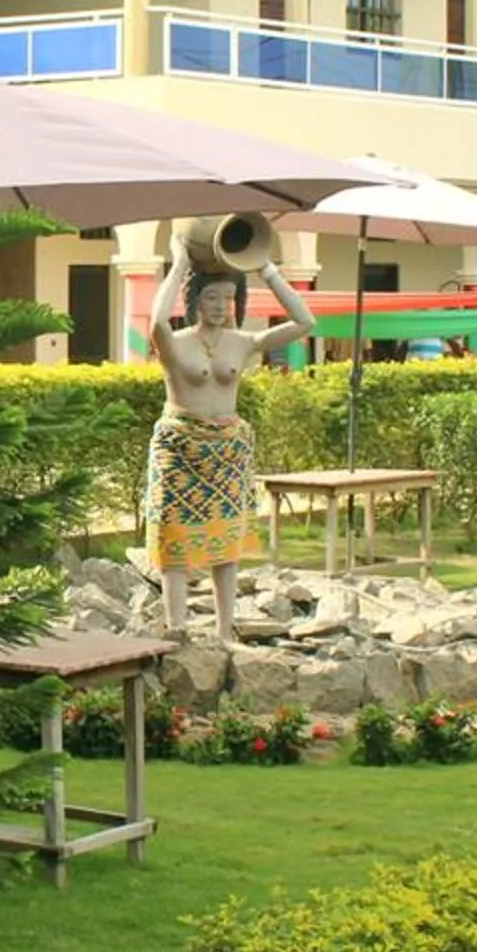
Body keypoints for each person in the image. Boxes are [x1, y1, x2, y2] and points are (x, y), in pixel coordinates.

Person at [143, 225, 317, 643]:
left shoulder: (243, 342)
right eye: (210, 296)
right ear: (195, 299)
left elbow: (304, 321)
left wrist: (266, 269)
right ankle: (178, 628)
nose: (220, 305)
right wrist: (180, 263)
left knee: (225, 544)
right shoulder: (176, 342)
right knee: (174, 542)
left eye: (227, 297)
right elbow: (155, 322)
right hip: (179, 448)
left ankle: (224, 632)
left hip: (227, 451)